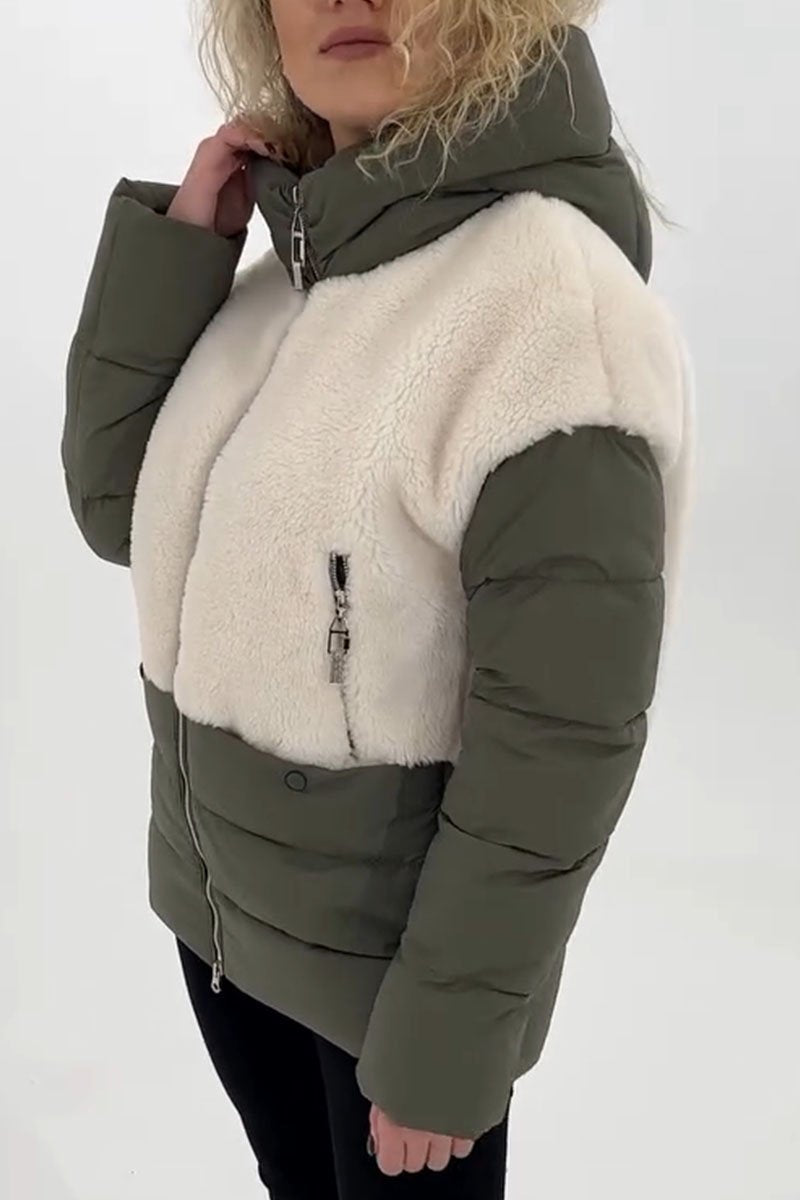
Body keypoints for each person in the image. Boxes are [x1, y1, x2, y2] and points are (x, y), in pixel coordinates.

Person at [61, 1, 693, 1196]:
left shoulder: (550, 314)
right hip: (225, 931)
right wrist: (183, 250)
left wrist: (447, 1046)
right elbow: (117, 513)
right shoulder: (289, 279)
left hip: (390, 994)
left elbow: (558, 741)